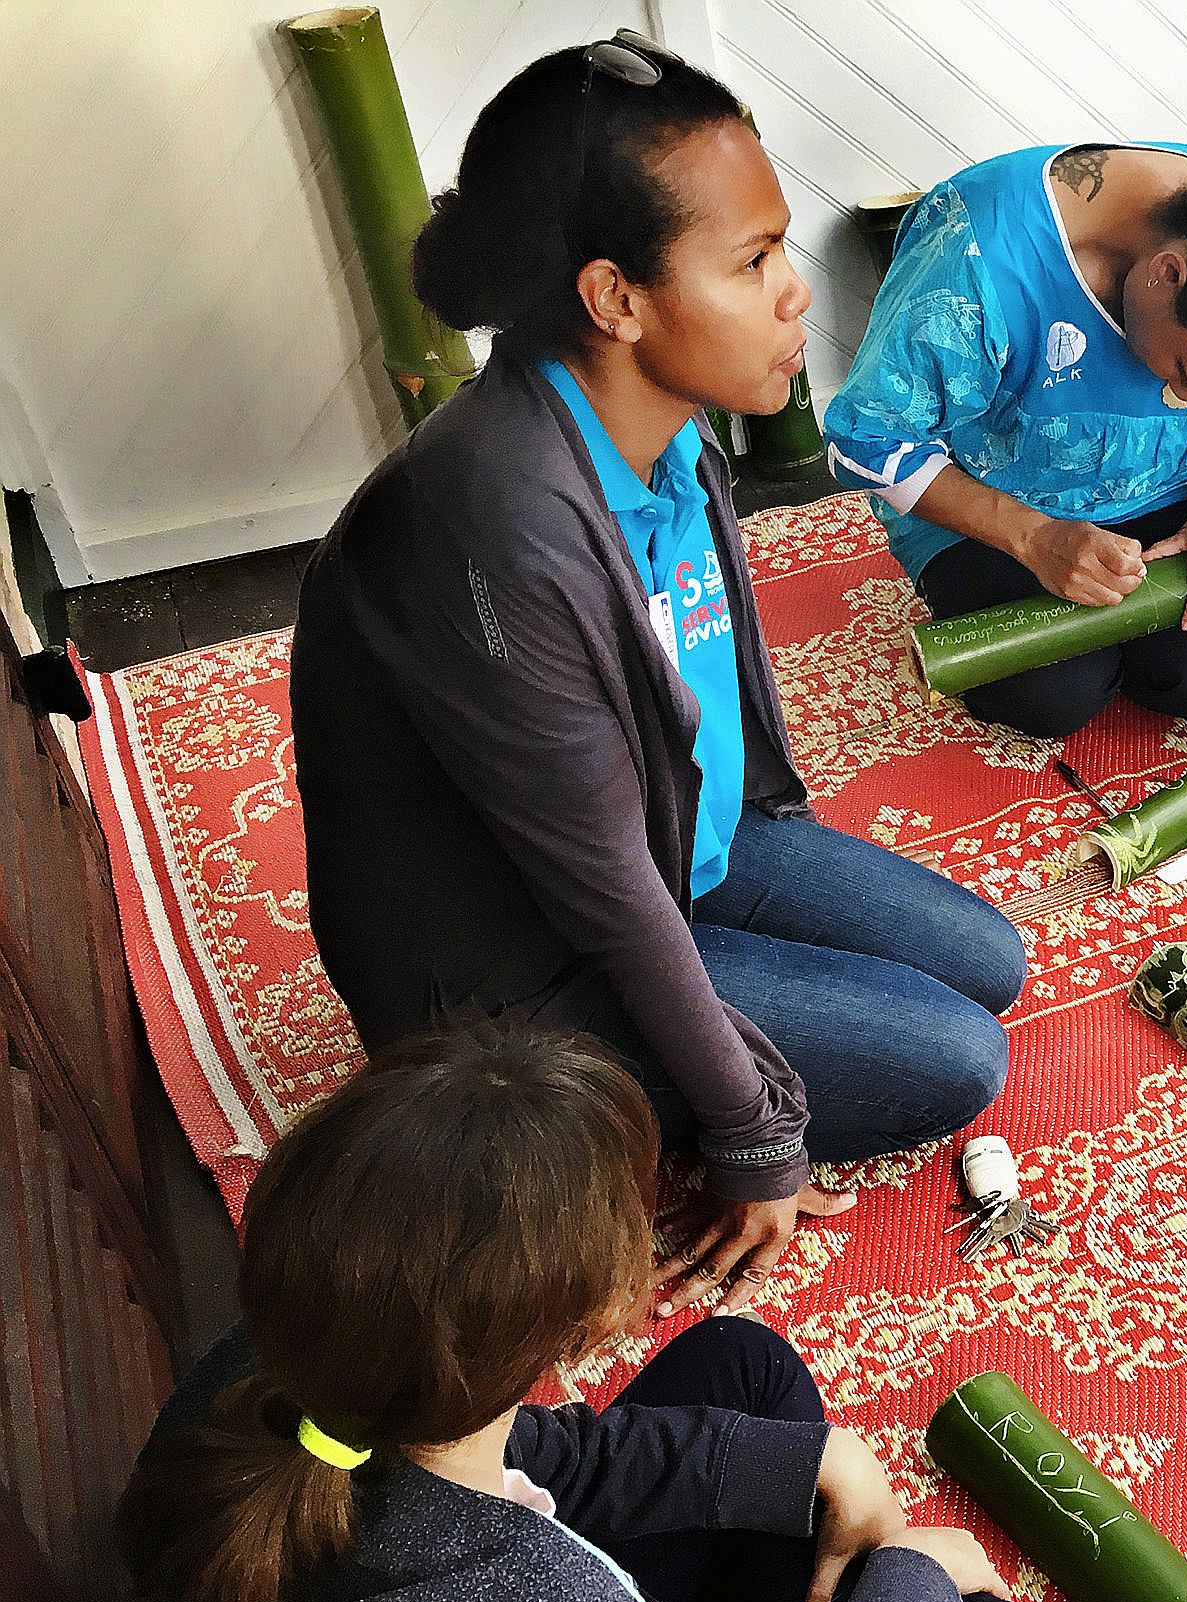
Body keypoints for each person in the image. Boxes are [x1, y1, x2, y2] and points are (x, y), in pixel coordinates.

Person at [117, 1023, 1162, 1602]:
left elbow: (543, 1454)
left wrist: (808, 1464)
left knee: (744, 1371)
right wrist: (909, 1593)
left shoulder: (277, 1379)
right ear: (572, 1334)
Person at [290, 35, 1026, 1315]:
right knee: (956, 1057)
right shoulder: (494, 524)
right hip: (520, 976)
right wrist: (750, 1130)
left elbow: (709, 706)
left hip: (681, 843)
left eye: (779, 246)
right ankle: (582, 1130)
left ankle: (705, 1022)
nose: (794, 294)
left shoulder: (673, 435)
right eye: (750, 262)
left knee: (988, 961)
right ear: (616, 297)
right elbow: (603, 888)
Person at [823, 139, 1187, 739]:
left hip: (1170, 491)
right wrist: (1034, 538)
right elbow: (868, 439)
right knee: (1051, 696)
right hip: (991, 512)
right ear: (1167, 274)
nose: (1182, 400)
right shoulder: (977, 260)